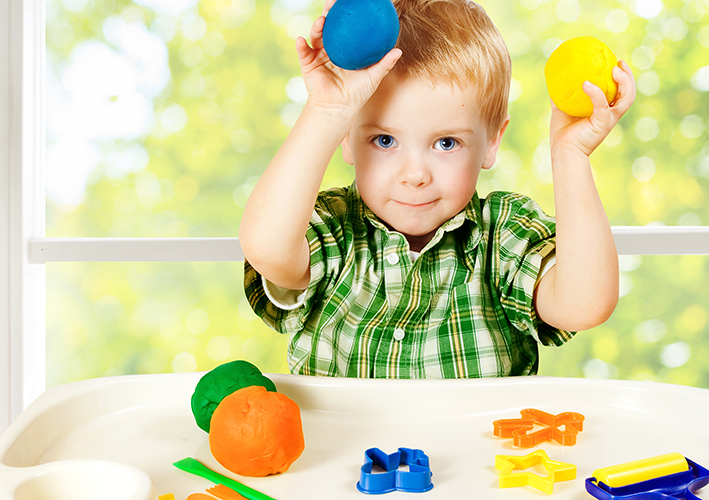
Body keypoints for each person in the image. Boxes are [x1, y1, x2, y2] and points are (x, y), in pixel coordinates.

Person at [239, 0, 636, 378]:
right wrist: (326, 111)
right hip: (348, 450)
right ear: (347, 135)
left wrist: (571, 155)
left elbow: (585, 303)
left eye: (446, 143)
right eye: (384, 141)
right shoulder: (332, 228)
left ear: (492, 141)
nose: (415, 175)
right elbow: (265, 247)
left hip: (472, 450)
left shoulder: (502, 236)